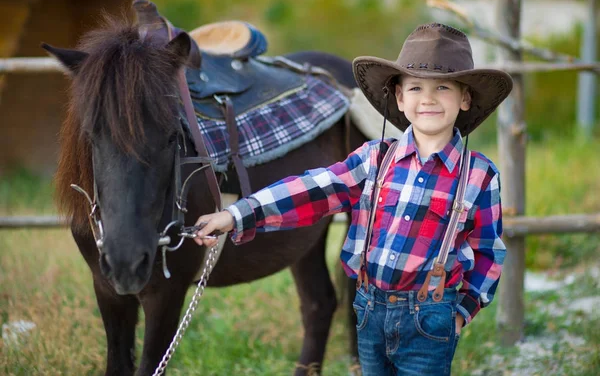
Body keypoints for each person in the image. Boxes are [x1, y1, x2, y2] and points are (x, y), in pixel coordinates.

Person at [193, 23, 512, 376]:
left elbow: (488, 252)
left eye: (443, 88)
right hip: (370, 312)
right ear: (400, 98)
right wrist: (237, 214)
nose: (429, 98)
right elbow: (312, 189)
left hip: (431, 320)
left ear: (464, 98)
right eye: (416, 87)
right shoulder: (373, 159)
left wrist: (460, 313)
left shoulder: (479, 175)